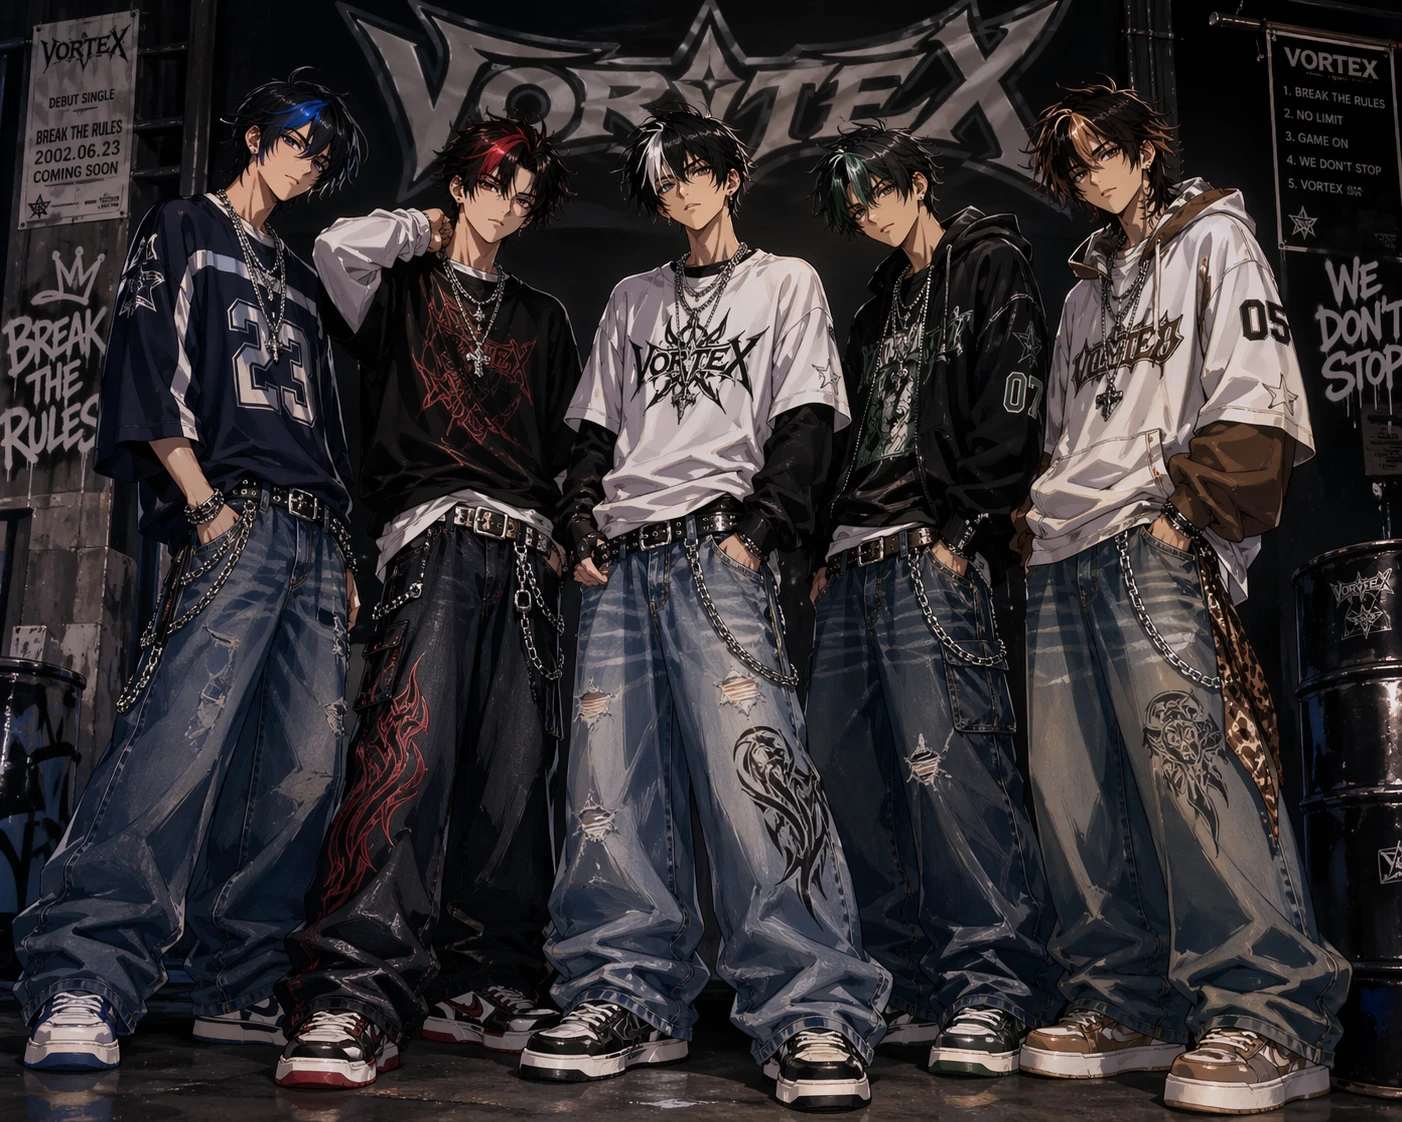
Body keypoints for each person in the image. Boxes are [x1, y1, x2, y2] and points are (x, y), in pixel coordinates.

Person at [520, 104, 890, 1113]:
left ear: (729, 176)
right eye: (664, 179)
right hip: (622, 562)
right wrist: (579, 523)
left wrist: (758, 534)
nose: (680, 190)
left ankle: (813, 1006)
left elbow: (807, 421)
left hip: (718, 549)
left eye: (694, 171)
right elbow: (592, 434)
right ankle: (622, 992)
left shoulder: (785, 283)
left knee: (756, 776)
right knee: (607, 788)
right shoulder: (632, 299)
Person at [15, 71, 364, 1071]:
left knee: (297, 774)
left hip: (314, 537)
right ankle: (83, 975)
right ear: (256, 136)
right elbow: (145, 365)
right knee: (174, 746)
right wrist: (203, 503)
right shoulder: (184, 229)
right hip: (235, 518)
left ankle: (240, 982)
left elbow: (325, 423)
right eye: (299, 140)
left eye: (324, 155)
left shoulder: (300, 276)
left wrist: (341, 547)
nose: (310, 162)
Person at [1014, 81, 1349, 1114]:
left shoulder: (1215, 240)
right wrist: (1036, 526)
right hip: (1065, 546)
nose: (1091, 173)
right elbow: (1064, 428)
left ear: (1142, 147)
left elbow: (1255, 379)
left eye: (1102, 150)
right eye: (1071, 164)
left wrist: (1193, 509)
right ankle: (1126, 1001)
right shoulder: (1082, 293)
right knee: (1076, 793)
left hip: (1153, 536)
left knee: (1193, 773)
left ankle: (1271, 1013)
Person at [274, 115, 579, 1088]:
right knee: (404, 763)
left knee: (511, 784)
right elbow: (333, 247)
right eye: (495, 185)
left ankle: (484, 982)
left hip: (524, 557)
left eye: (525, 197)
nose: (509, 207)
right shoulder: (399, 286)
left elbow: (569, 449)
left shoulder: (543, 318)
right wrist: (424, 230)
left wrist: (567, 534)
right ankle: (352, 992)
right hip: (430, 542)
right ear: (460, 184)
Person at [805, 124, 1061, 1077]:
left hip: (929, 551)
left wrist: (966, 528)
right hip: (851, 562)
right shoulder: (873, 308)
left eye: (878, 191)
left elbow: (1013, 397)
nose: (868, 212)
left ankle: (993, 989)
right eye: (854, 203)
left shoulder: (989, 263)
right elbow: (849, 436)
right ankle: (904, 985)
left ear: (918, 183)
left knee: (954, 779)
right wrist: (822, 547)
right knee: (850, 790)